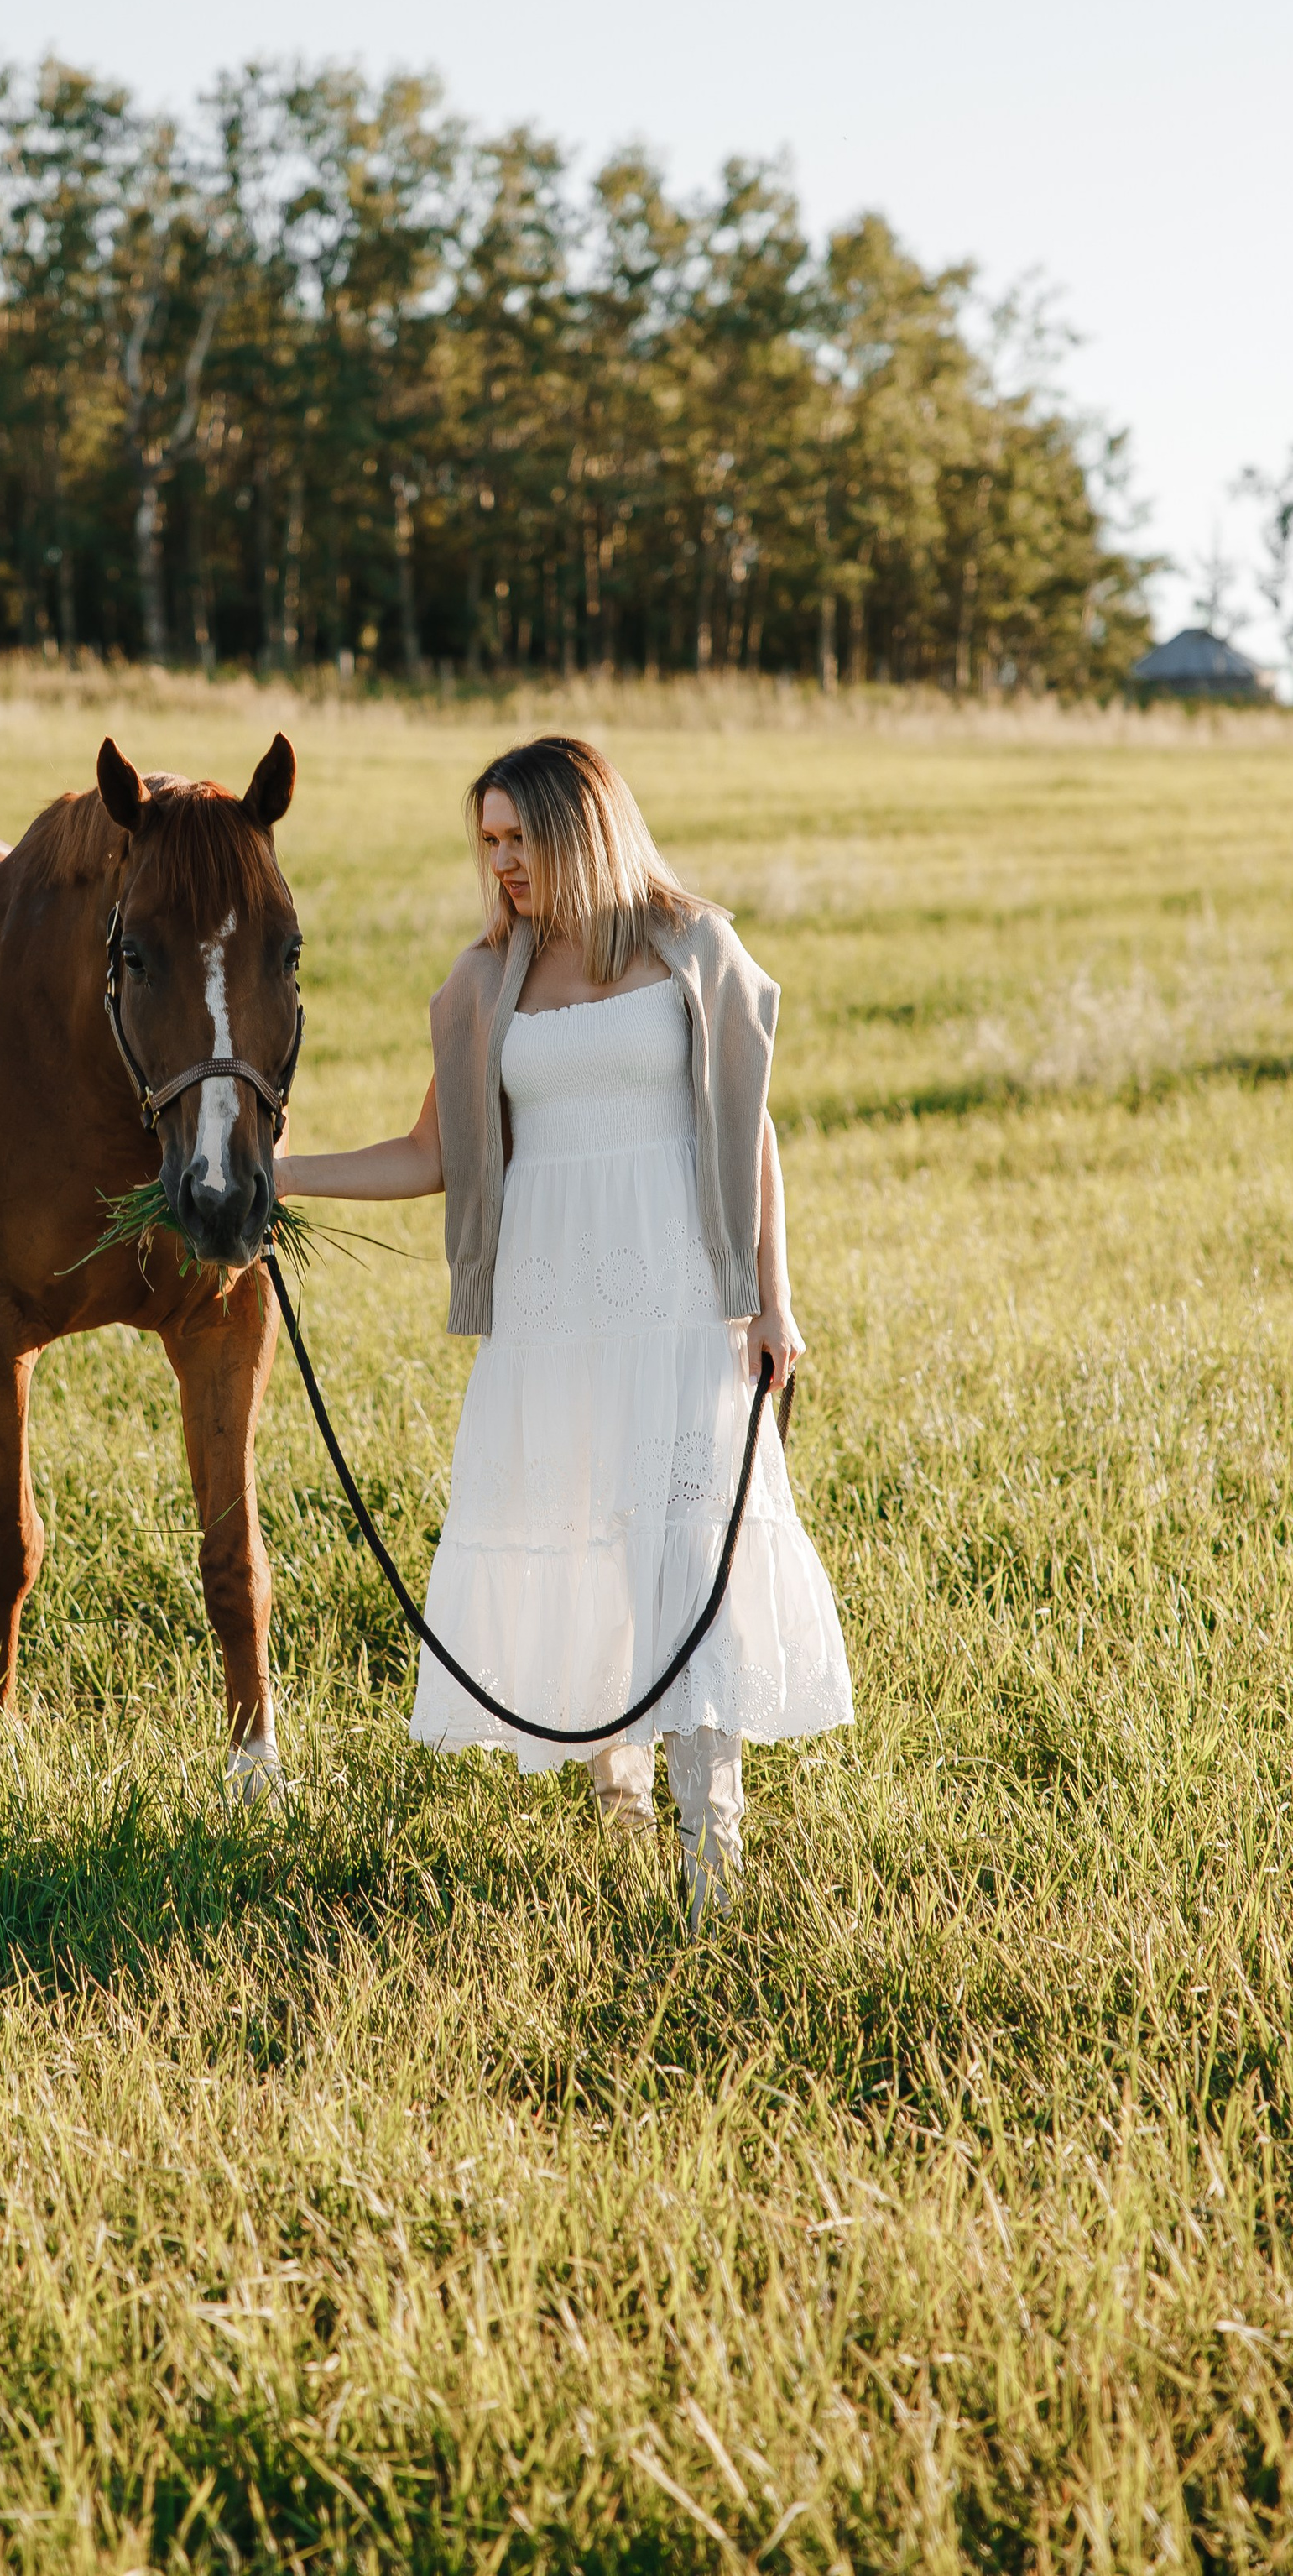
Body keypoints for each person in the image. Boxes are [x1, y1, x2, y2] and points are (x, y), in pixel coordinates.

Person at [274, 734, 852, 1925]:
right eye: (486, 841)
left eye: (518, 839)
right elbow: (430, 1155)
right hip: (550, 1312)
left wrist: (774, 1301)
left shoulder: (693, 945)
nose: (500, 863)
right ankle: (620, 1797)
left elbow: (752, 1130)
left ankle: (713, 1852)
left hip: (681, 1303)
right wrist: (277, 1177)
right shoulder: (489, 980)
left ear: (579, 830)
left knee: (687, 1552)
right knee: (588, 1536)